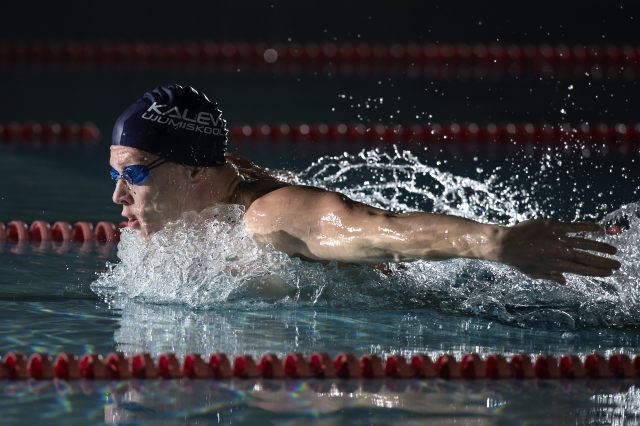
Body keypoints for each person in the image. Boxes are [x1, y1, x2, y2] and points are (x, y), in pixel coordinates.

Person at [110, 84, 621, 285]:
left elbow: (378, 229)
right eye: (115, 175)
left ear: (194, 172)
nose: (118, 195)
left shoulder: (268, 218)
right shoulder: (220, 174)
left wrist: (494, 243)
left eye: (134, 174)